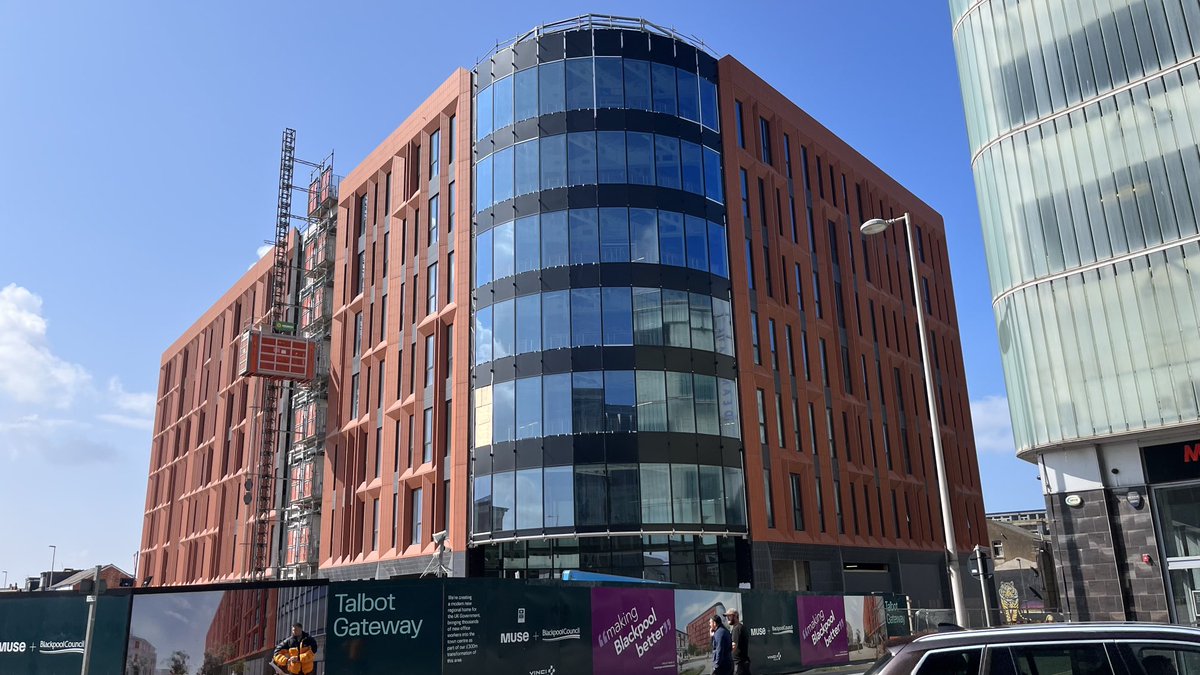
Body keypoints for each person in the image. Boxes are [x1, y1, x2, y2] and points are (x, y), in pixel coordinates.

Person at [725, 608, 751, 675]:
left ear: (736, 615)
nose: (727, 618)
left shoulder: (737, 628)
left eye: (729, 616)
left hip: (739, 664)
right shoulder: (739, 627)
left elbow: (733, 645)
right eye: (727, 616)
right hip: (742, 663)